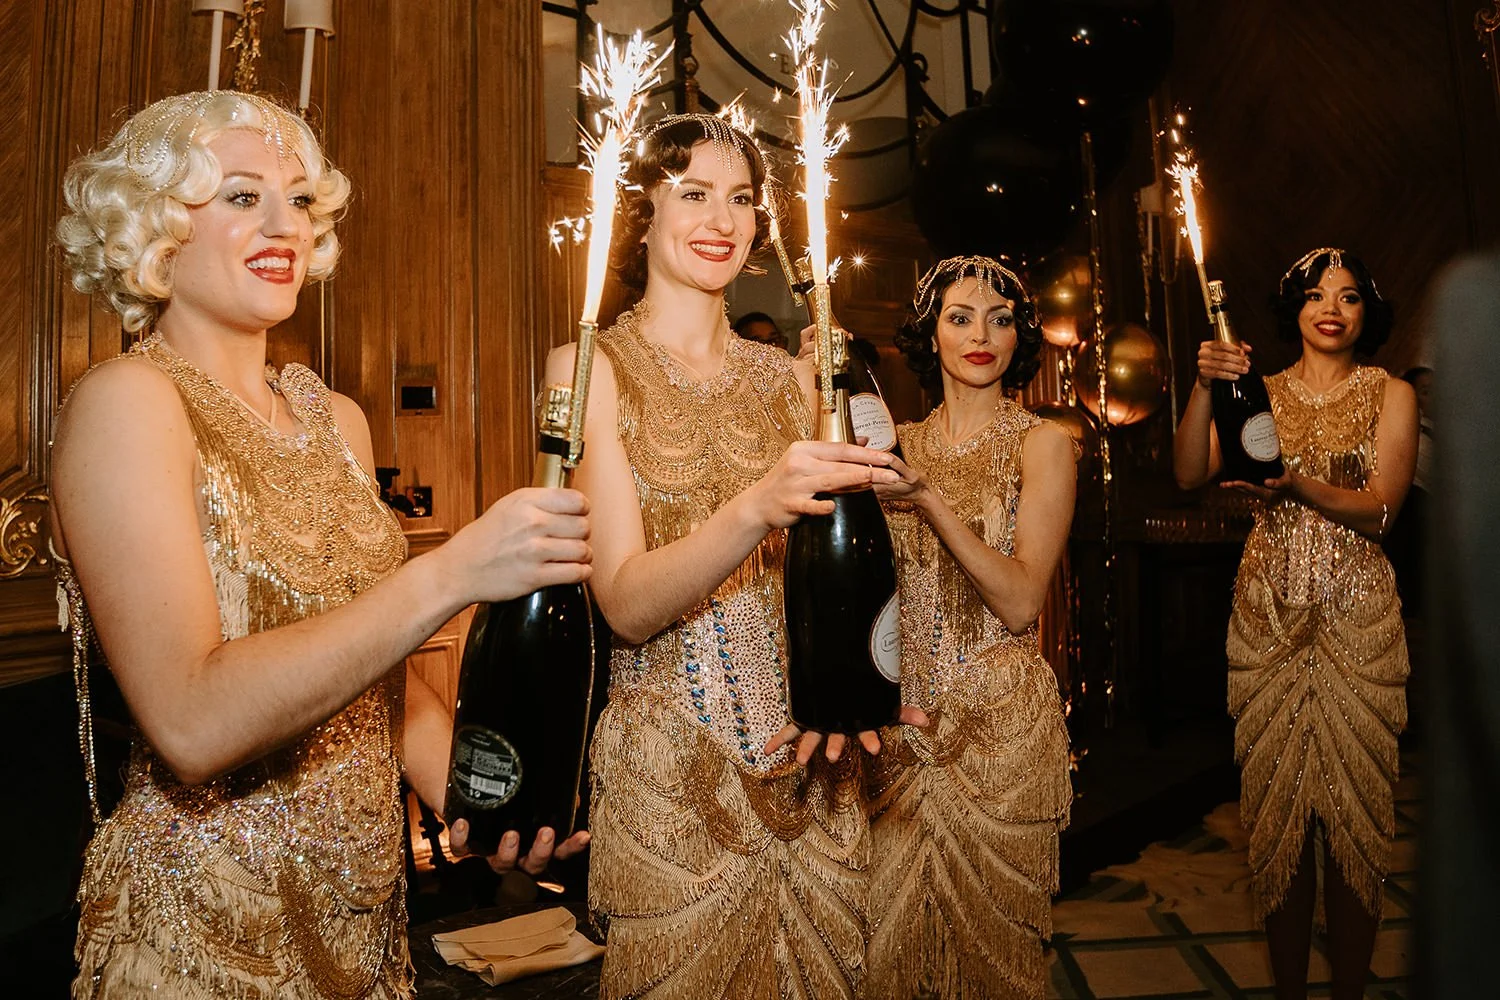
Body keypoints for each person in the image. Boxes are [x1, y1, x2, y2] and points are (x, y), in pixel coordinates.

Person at [50, 91, 589, 999]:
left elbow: (380, 682)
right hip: (204, 932)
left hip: (366, 924)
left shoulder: (335, 418)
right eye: (238, 196)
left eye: (298, 199)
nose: (283, 224)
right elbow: (190, 722)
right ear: (152, 231)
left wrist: (483, 802)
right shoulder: (127, 404)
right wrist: (453, 573)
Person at [544, 114, 922, 999]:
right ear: (642, 214)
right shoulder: (587, 370)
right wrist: (755, 507)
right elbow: (628, 606)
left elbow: (856, 566)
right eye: (694, 193)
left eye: (742, 198)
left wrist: (865, 691)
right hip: (670, 779)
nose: (722, 218)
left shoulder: (792, 378)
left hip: (811, 768)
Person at [1173, 248, 1417, 1000]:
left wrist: (1296, 484)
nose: (1331, 308)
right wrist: (1204, 384)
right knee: (1278, 819)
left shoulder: (1391, 392)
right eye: (1315, 295)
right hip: (1268, 622)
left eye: (1347, 296)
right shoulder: (1258, 390)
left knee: (1353, 818)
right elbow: (1189, 473)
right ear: (1296, 311)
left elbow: (1381, 510)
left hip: (1360, 625)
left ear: (1367, 311)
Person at [863, 256, 1075, 998]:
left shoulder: (1043, 444)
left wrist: (930, 502)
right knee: (891, 954)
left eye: (1000, 318)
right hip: (901, 732)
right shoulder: (894, 450)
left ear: (1021, 337)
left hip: (1002, 731)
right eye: (960, 317)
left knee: (994, 962)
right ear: (931, 334)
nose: (981, 334)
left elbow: (1021, 603)